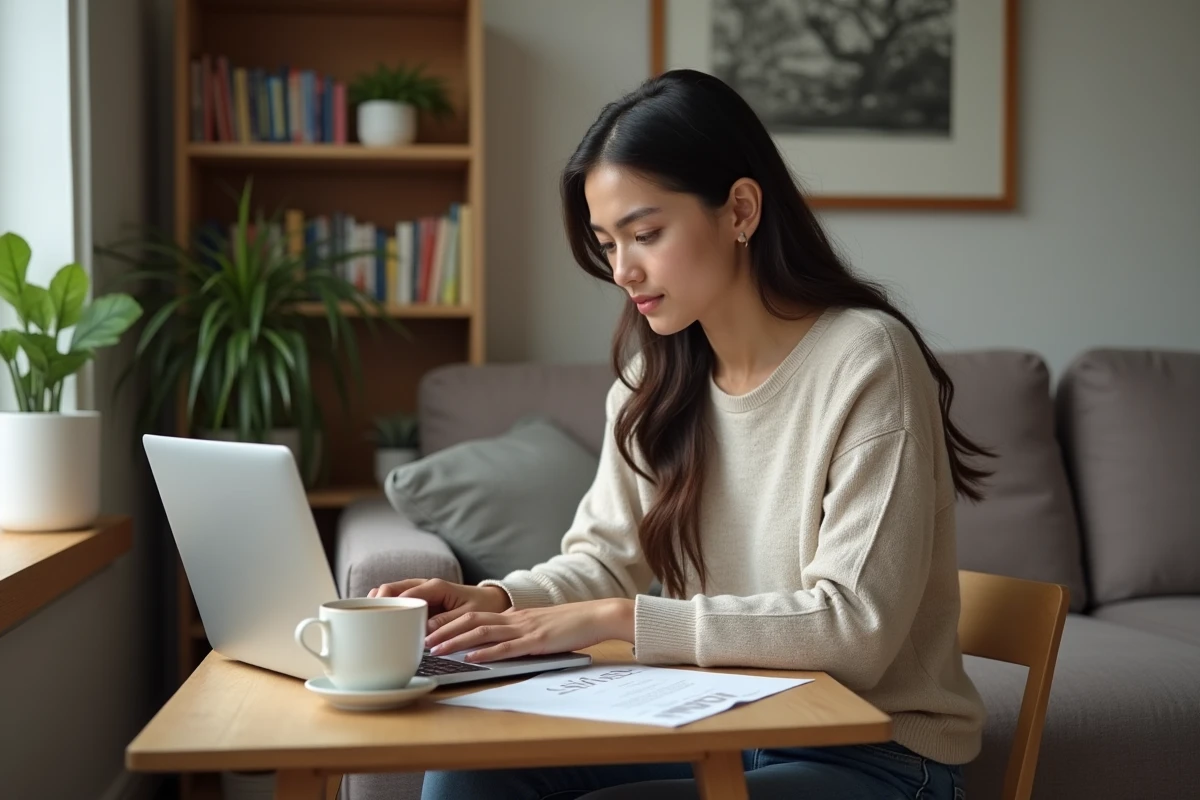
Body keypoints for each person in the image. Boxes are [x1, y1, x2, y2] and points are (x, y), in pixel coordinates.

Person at [369, 68, 989, 800]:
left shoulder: (866, 359)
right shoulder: (655, 371)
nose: (622, 270)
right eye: (607, 243)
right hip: (722, 722)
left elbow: (853, 628)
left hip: (871, 752)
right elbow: (602, 558)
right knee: (466, 779)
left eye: (646, 233)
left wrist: (616, 620)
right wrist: (497, 603)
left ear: (741, 210)